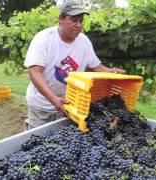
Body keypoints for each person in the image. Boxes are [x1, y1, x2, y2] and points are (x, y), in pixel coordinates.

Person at [23, 0, 125, 130]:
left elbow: (97, 67)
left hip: (68, 105)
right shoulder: (44, 39)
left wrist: (111, 72)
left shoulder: (84, 42)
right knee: (35, 140)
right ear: (61, 19)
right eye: (74, 20)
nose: (78, 25)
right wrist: (54, 100)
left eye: (81, 21)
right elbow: (34, 72)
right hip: (41, 106)